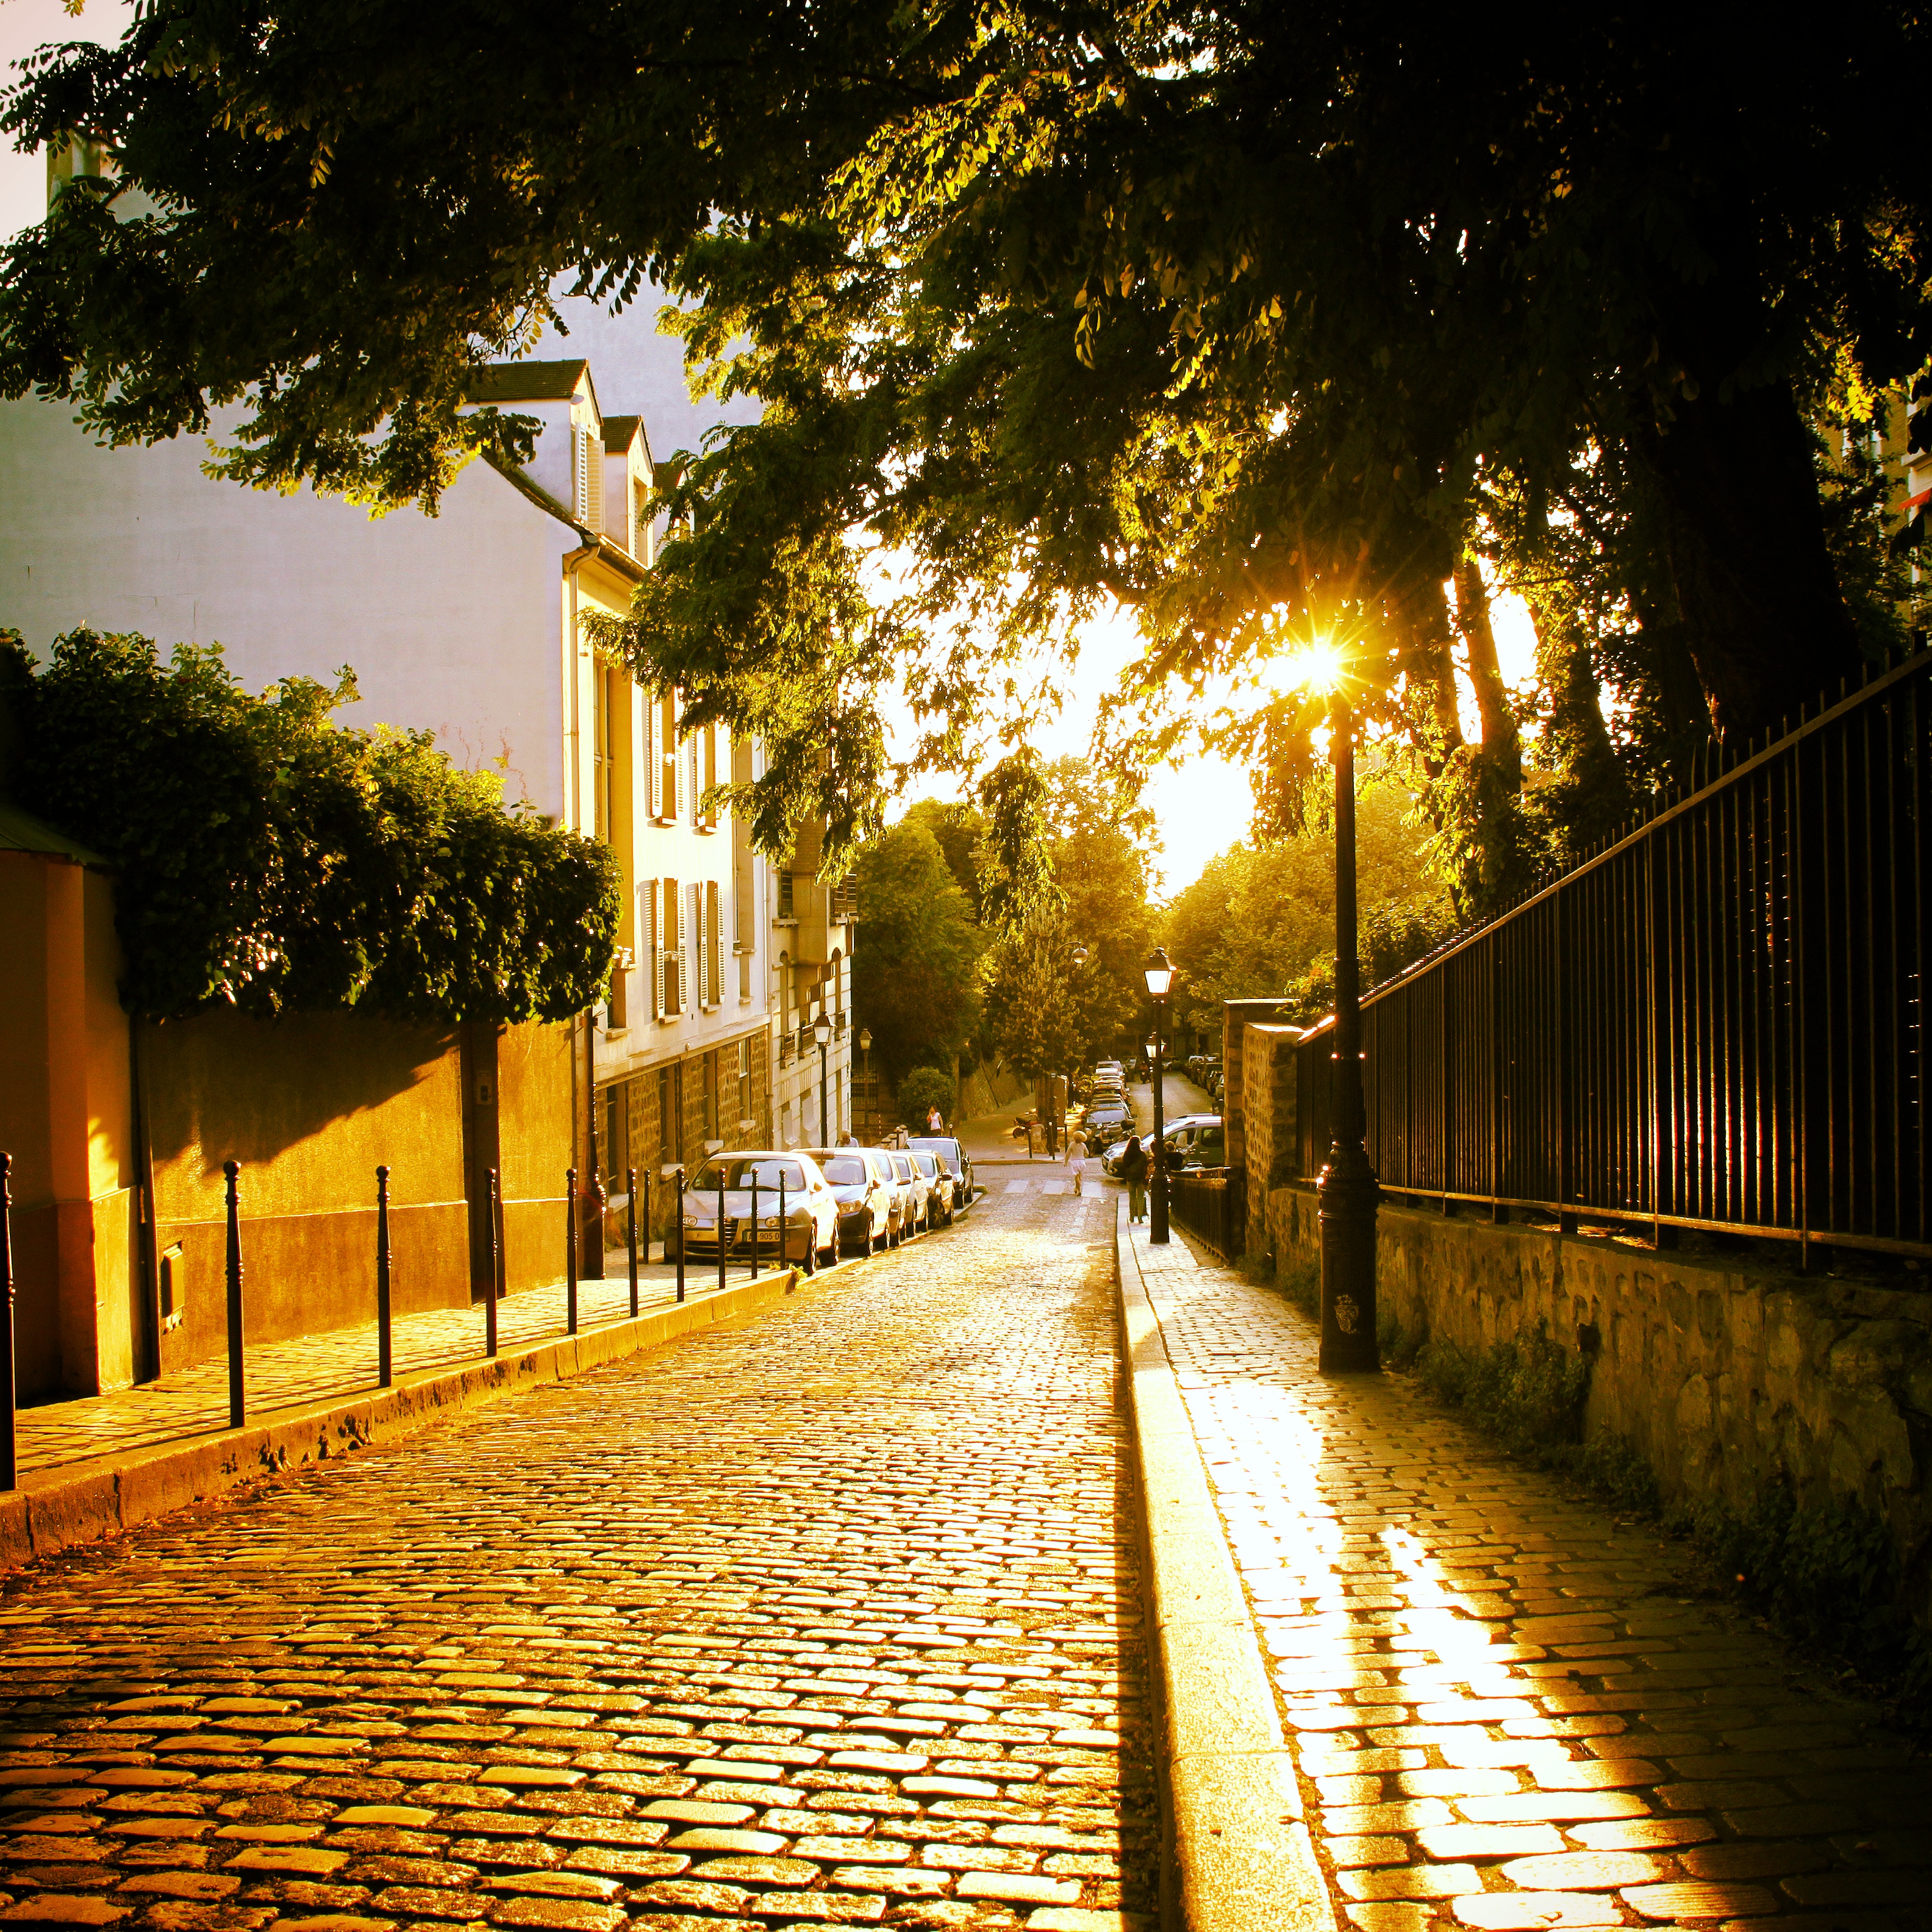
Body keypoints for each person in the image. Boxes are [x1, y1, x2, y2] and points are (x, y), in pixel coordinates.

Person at [1122, 1133, 1148, 1224]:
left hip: (1131, 1178)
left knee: (1132, 1198)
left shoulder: (1127, 1154)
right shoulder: (1142, 1154)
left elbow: (1124, 1166)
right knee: (1140, 1198)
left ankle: (1132, 1216)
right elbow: (1145, 1166)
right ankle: (1140, 1217)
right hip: (1140, 1178)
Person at [1065, 1120, 1087, 1195]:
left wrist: (1065, 1162)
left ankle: (1079, 1189)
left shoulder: (1072, 1145)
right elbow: (1087, 1153)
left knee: (1076, 1177)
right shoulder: (1083, 1145)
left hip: (1074, 1162)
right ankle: (1076, 1188)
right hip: (1082, 1162)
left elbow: (1068, 1154)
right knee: (1080, 1177)